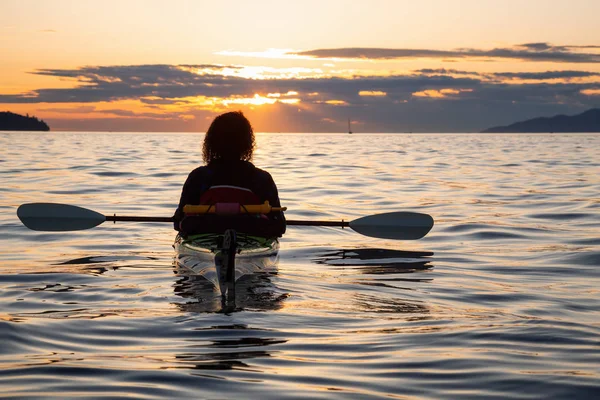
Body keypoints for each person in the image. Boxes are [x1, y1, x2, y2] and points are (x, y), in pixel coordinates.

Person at [173, 111, 286, 238]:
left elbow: (178, 221)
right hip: (251, 234)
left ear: (212, 143)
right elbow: (280, 225)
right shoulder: (262, 179)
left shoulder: (198, 176)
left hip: (205, 234)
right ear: (247, 144)